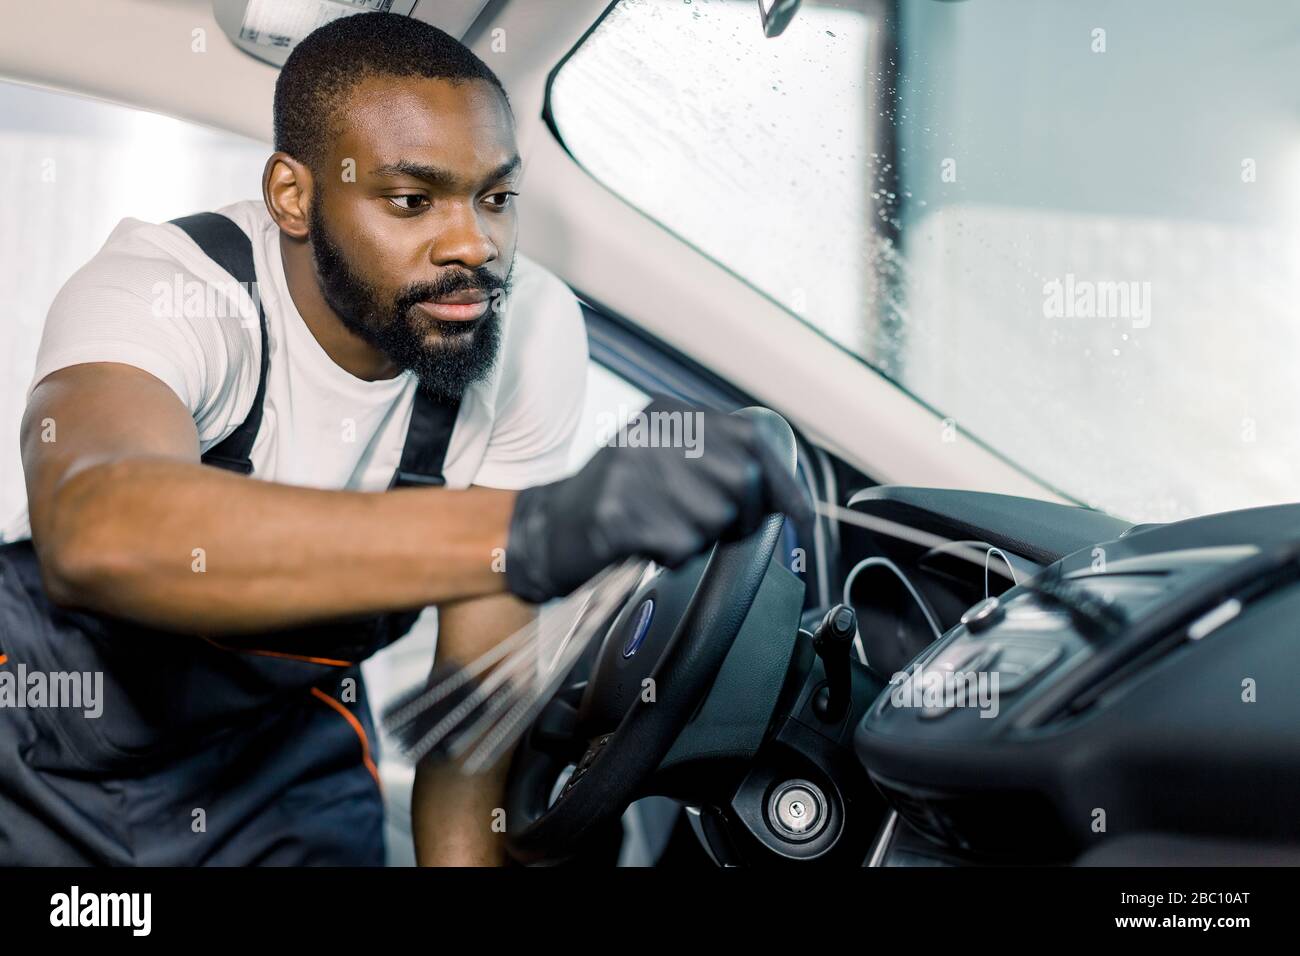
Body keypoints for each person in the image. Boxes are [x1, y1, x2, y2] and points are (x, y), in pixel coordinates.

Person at [0, 12, 808, 867]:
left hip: (281, 772)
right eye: (412, 200)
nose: (476, 245)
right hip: (39, 739)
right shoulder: (172, 291)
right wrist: (538, 529)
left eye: (495, 198)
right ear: (293, 196)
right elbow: (98, 532)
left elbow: (469, 728)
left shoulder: (527, 333)